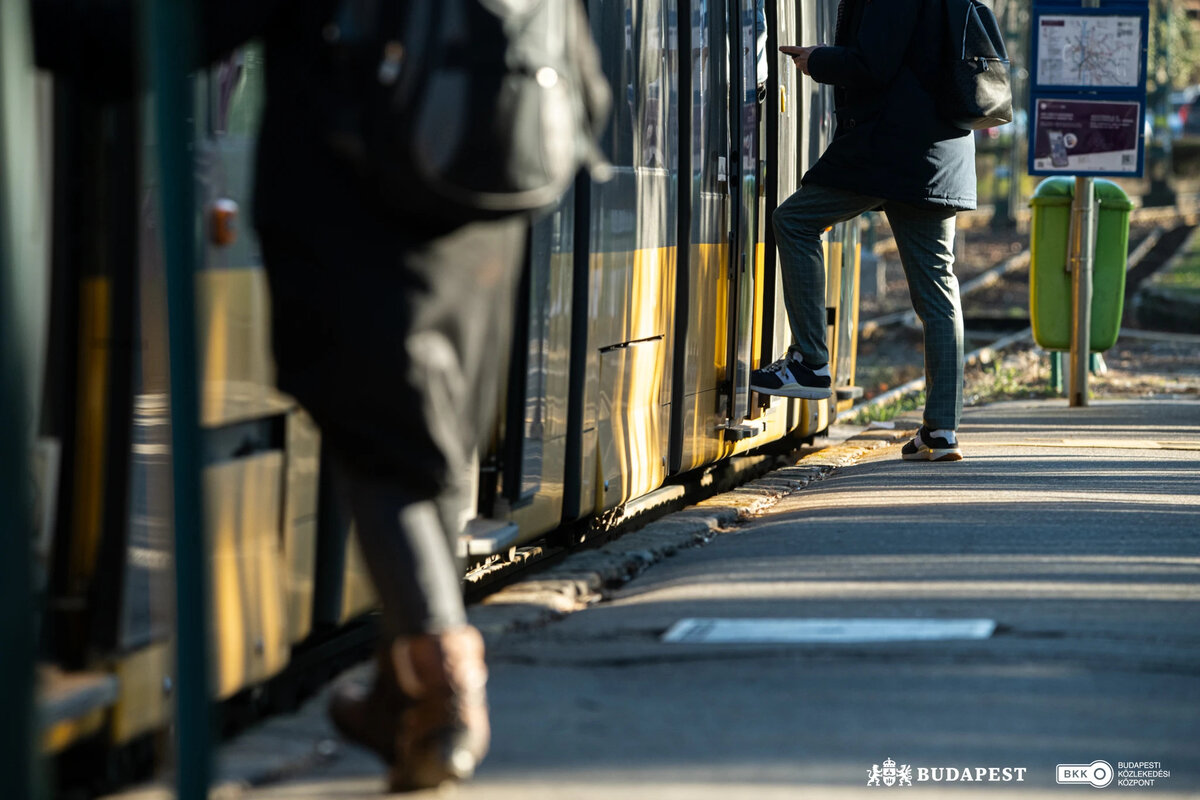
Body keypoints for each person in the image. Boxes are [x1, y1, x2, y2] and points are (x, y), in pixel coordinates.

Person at [33, 0, 537, 789]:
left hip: (364, 197)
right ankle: (398, 692)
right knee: (424, 437)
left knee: (373, 431)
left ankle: (444, 680)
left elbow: (180, 31)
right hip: (486, 193)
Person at [753, 0, 975, 462]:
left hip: (888, 150)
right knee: (938, 290)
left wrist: (816, 60)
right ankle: (941, 430)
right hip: (942, 151)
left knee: (794, 221)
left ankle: (810, 362)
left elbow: (875, 63)